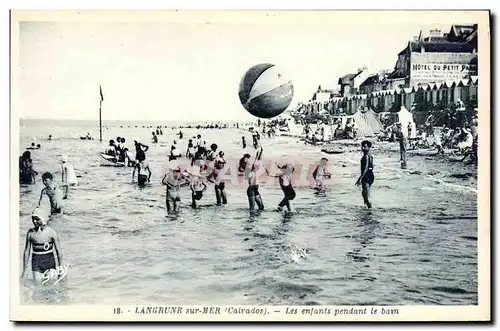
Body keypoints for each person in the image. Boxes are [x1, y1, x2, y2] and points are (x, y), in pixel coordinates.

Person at [21, 207, 63, 285]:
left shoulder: (51, 232)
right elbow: (26, 252)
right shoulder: (31, 233)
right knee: (38, 288)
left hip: (50, 264)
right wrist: (24, 271)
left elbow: (59, 252)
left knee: (51, 287)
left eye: (37, 219)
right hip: (36, 265)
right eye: (33, 219)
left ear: (43, 218)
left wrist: (61, 269)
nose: (34, 221)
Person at [355, 140, 374, 209]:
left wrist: (360, 178)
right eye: (362, 146)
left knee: (366, 194)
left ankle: (370, 209)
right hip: (370, 174)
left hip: (367, 176)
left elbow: (365, 168)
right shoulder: (370, 156)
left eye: (365, 147)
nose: (363, 148)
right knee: (364, 193)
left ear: (369, 147)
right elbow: (371, 166)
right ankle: (367, 208)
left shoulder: (366, 156)